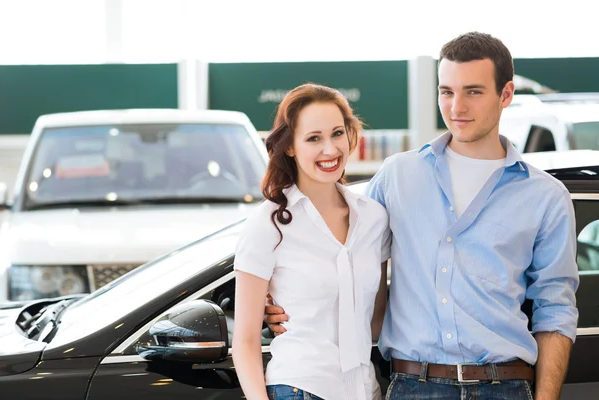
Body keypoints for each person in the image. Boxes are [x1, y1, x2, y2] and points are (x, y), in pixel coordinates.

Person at [267, 32, 579, 400]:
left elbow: (555, 309)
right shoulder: (397, 175)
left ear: (506, 94)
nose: (456, 106)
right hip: (412, 386)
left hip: (505, 386)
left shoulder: (545, 196)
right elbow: (337, 247)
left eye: (473, 91)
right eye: (446, 91)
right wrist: (278, 302)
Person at [232, 83, 391, 400]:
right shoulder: (269, 224)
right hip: (301, 388)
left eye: (337, 133)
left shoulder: (374, 218)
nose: (330, 150)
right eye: (314, 138)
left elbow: (376, 320)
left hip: (365, 390)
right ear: (290, 146)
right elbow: (245, 341)